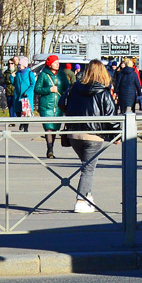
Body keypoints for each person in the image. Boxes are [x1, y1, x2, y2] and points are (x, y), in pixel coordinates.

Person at [62, 60, 119, 214]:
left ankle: (87, 195)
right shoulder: (104, 92)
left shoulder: (74, 87)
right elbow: (111, 116)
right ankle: (81, 201)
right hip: (94, 134)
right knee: (88, 169)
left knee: (86, 165)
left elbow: (62, 103)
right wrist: (117, 134)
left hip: (74, 133)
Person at [35, 55, 66, 159]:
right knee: (48, 128)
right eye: (55, 62)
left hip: (58, 106)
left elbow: (68, 87)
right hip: (46, 105)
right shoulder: (43, 75)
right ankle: (50, 149)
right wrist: (49, 89)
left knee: (55, 128)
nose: (58, 64)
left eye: (58, 62)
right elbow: (37, 89)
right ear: (50, 64)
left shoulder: (62, 74)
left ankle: (51, 147)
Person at [11, 57, 35, 130]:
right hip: (18, 95)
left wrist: (27, 92)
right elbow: (14, 84)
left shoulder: (30, 73)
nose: (19, 66)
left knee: (26, 112)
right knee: (18, 111)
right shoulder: (17, 73)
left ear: (25, 65)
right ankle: (22, 122)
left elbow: (33, 84)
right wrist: (11, 77)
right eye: (18, 65)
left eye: (20, 65)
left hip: (26, 96)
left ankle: (26, 127)